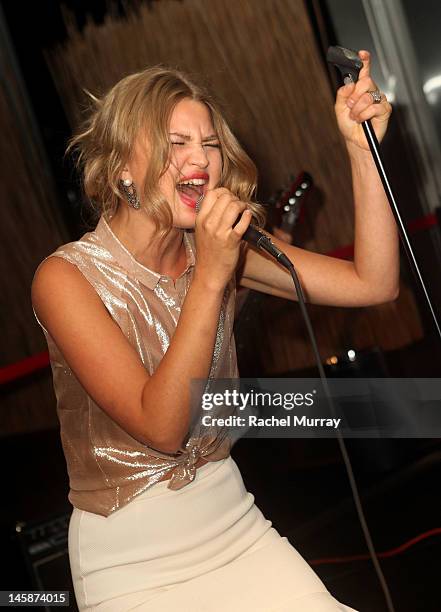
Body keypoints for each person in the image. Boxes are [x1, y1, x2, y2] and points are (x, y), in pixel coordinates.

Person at [31, 50, 397, 611]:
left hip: (235, 525)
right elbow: (162, 427)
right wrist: (212, 278)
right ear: (122, 165)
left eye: (208, 144)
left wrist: (359, 148)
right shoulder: (65, 278)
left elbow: (374, 283)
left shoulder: (221, 251)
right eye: (175, 143)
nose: (198, 159)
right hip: (132, 564)